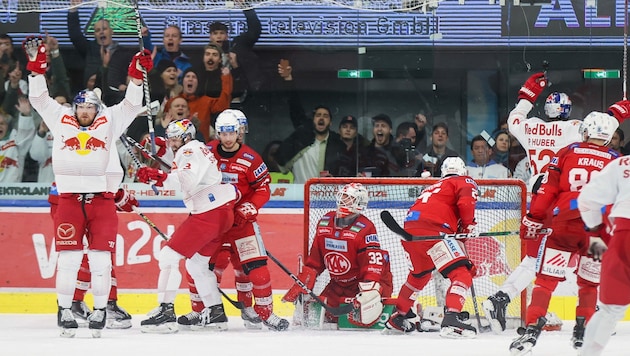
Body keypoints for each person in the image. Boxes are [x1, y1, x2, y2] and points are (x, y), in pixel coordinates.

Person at [483, 73, 630, 334]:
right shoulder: (575, 128)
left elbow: (514, 120)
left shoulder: (530, 127)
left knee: (546, 258)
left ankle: (534, 305)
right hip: (562, 198)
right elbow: (601, 125)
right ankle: (503, 299)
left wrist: (528, 96)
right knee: (563, 258)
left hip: (538, 195)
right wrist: (621, 108)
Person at [25, 34, 151, 337]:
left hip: (101, 201)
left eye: (89, 108)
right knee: (68, 258)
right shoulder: (61, 119)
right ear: (74, 108)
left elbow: (133, 104)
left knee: (100, 259)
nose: (84, 111)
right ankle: (64, 309)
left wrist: (135, 78)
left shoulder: (109, 121)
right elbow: (38, 99)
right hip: (69, 199)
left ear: (97, 109)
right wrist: (36, 70)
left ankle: (98, 310)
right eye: (80, 107)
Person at [508, 112, 619, 355]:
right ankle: (583, 333)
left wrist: (533, 217)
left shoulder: (569, 151)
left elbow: (548, 188)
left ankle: (531, 330)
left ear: (586, 131)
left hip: (564, 224)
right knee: (589, 284)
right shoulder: (617, 160)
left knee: (546, 282)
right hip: (598, 231)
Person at [176, 111, 289, 331]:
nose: (228, 138)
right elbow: (190, 177)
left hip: (241, 224)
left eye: (232, 133)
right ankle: (200, 311)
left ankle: (266, 313)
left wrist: (251, 206)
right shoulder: (206, 152)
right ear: (217, 133)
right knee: (202, 269)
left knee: (257, 269)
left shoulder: (251, 158)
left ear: (238, 132)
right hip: (213, 224)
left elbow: (263, 188)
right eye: (223, 133)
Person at [135, 119, 238, 333]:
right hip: (220, 212)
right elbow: (183, 167)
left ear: (187, 137)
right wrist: (163, 152)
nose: (172, 142)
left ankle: (166, 312)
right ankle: (216, 313)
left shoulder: (190, 150)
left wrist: (158, 176)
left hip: (208, 212)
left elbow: (187, 180)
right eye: (170, 138)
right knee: (196, 265)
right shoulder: (196, 148)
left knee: (168, 257)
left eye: (175, 139)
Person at [384, 157, 479, 338]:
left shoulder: (434, 187)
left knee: (418, 276)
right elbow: (465, 203)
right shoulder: (464, 180)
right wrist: (468, 226)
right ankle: (451, 318)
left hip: (411, 231)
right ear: (464, 171)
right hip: (435, 232)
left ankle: (400, 315)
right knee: (462, 274)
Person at [282, 182, 393, 328]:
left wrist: (369, 291)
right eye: (342, 197)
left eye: (348, 199)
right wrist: (305, 280)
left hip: (363, 284)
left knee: (363, 320)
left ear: (359, 203)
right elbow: (316, 260)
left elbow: (372, 263)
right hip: (338, 284)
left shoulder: (366, 228)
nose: (342, 202)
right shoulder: (325, 222)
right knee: (310, 315)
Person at [577, 153, 630, 356]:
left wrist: (595, 230)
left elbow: (586, 200)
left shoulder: (621, 164)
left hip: (623, 235)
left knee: (609, 310)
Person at [274, 61, 345, 183]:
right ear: (313, 119)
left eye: (325, 116)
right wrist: (288, 79)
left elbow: (345, 169)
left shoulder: (337, 144)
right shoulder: (303, 134)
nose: (321, 118)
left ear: (331, 122)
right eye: (318, 115)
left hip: (324, 196)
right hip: (298, 195)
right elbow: (295, 107)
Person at [67, 1, 134, 104]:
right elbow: (74, 34)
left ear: (112, 31)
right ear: (94, 34)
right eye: (98, 30)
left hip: (116, 97)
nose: (101, 32)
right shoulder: (89, 48)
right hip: (92, 95)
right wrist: (73, 9)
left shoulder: (123, 53)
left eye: (104, 29)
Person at [208, 0, 262, 102]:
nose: (219, 36)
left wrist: (246, 6)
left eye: (222, 33)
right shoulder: (205, 55)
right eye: (215, 33)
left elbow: (255, 30)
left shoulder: (237, 45)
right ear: (210, 37)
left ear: (227, 35)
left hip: (238, 98)